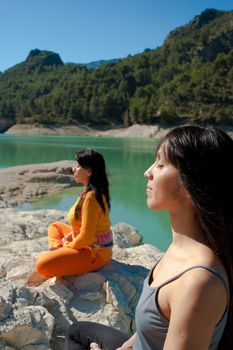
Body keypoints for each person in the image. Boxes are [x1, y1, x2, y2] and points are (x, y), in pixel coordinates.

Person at [65, 125, 233, 350]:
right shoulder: (180, 247)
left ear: (190, 183)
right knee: (77, 331)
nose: (148, 172)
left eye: (161, 164)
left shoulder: (198, 283)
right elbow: (152, 330)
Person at [29, 148, 112, 282]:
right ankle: (60, 254)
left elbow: (86, 238)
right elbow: (82, 228)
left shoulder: (92, 197)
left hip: (95, 253)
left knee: (41, 265)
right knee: (55, 227)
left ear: (89, 171)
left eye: (78, 166)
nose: (74, 169)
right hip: (85, 242)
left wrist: (69, 246)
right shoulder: (87, 191)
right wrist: (70, 238)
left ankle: (60, 256)